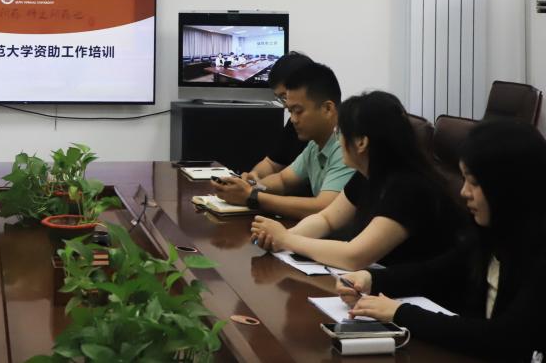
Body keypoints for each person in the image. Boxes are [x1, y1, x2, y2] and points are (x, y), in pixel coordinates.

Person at [336, 121, 546, 362]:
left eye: (474, 183)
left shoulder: (539, 253)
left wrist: (400, 313)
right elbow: (434, 272)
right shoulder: (488, 235)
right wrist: (370, 279)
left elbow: (504, 337)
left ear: (508, 187)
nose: (464, 192)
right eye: (464, 179)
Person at [250, 91, 467, 270]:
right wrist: (280, 237)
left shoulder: (409, 188)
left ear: (362, 142)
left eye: (340, 133)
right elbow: (327, 219)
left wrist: (286, 240)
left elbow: (354, 256)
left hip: (424, 298)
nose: (338, 140)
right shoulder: (368, 174)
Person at [213, 62, 354, 220]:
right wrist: (251, 186)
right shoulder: (315, 144)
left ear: (327, 109)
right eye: (290, 111)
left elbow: (324, 208)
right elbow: (283, 181)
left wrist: (252, 196)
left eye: (298, 111)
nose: (293, 120)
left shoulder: (347, 146)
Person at [242, 52, 313, 182]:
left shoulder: (333, 138)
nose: (286, 105)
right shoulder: (294, 123)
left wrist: (252, 191)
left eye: (285, 96)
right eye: (280, 98)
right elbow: (272, 164)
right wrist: (253, 176)